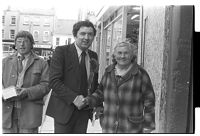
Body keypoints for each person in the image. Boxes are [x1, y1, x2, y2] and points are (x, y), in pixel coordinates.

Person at [83, 41, 156, 133]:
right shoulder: (108, 71)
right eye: (119, 53)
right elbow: (100, 92)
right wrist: (88, 100)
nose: (122, 56)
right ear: (114, 55)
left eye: (126, 53)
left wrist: (148, 125)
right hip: (109, 125)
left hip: (131, 126)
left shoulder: (140, 73)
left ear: (132, 55)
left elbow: (149, 100)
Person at [46, 20, 99, 133]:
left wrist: (96, 102)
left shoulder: (93, 56)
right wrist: (74, 99)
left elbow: (93, 83)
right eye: (83, 33)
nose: (86, 37)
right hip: (64, 110)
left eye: (90, 34)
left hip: (84, 112)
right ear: (75, 35)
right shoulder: (61, 51)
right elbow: (54, 81)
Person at [2, 31, 50, 133]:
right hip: (7, 112)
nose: (22, 44)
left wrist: (27, 92)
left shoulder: (42, 63)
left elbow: (46, 85)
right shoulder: (5, 62)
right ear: (15, 44)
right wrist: (4, 94)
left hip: (30, 114)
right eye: (19, 41)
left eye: (26, 41)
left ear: (32, 44)